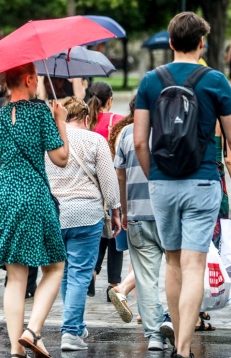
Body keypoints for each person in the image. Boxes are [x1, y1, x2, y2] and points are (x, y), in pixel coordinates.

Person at [134, 12, 231, 358]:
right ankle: (185, 348)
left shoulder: (149, 82)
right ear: (201, 43)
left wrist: (154, 176)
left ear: (171, 43)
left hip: (162, 182)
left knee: (172, 264)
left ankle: (178, 342)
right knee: (194, 265)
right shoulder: (215, 81)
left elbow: (141, 142)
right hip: (203, 182)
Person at [0, 62, 69, 358]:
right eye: (38, 78)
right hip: (34, 195)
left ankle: (17, 349)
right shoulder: (42, 112)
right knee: (54, 267)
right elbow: (61, 158)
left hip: (4, 196)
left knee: (16, 278)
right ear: (29, 80)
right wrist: (61, 121)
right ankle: (32, 331)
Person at [44, 97, 121, 351]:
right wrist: (116, 210)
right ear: (87, 118)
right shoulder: (95, 140)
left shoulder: (50, 141)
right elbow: (109, 182)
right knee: (79, 273)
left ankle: (75, 326)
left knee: (64, 272)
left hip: (55, 213)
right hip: (86, 215)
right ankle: (70, 331)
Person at [113, 103, 170, 351]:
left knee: (146, 279)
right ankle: (176, 321)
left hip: (137, 214)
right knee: (180, 271)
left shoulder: (126, 134)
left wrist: (124, 210)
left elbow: (120, 175)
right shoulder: (170, 131)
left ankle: (155, 335)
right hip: (168, 213)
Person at [87, 81, 125, 300]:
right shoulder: (116, 122)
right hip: (112, 184)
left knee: (99, 236)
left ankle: (91, 273)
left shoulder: (84, 123)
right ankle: (113, 285)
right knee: (116, 237)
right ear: (110, 100)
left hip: (91, 187)